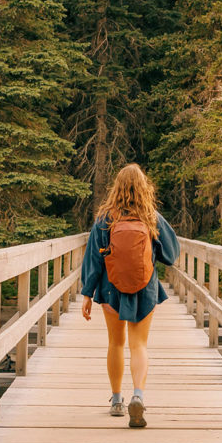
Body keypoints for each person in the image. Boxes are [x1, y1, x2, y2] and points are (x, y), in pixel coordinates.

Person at [80, 164, 179, 428]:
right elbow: (171, 255)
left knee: (116, 343)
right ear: (145, 187)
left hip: (110, 288)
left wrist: (87, 294)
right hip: (145, 288)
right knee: (139, 345)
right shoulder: (151, 217)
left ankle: (116, 400)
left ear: (117, 187)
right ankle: (138, 395)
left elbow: (93, 259)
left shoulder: (105, 219)